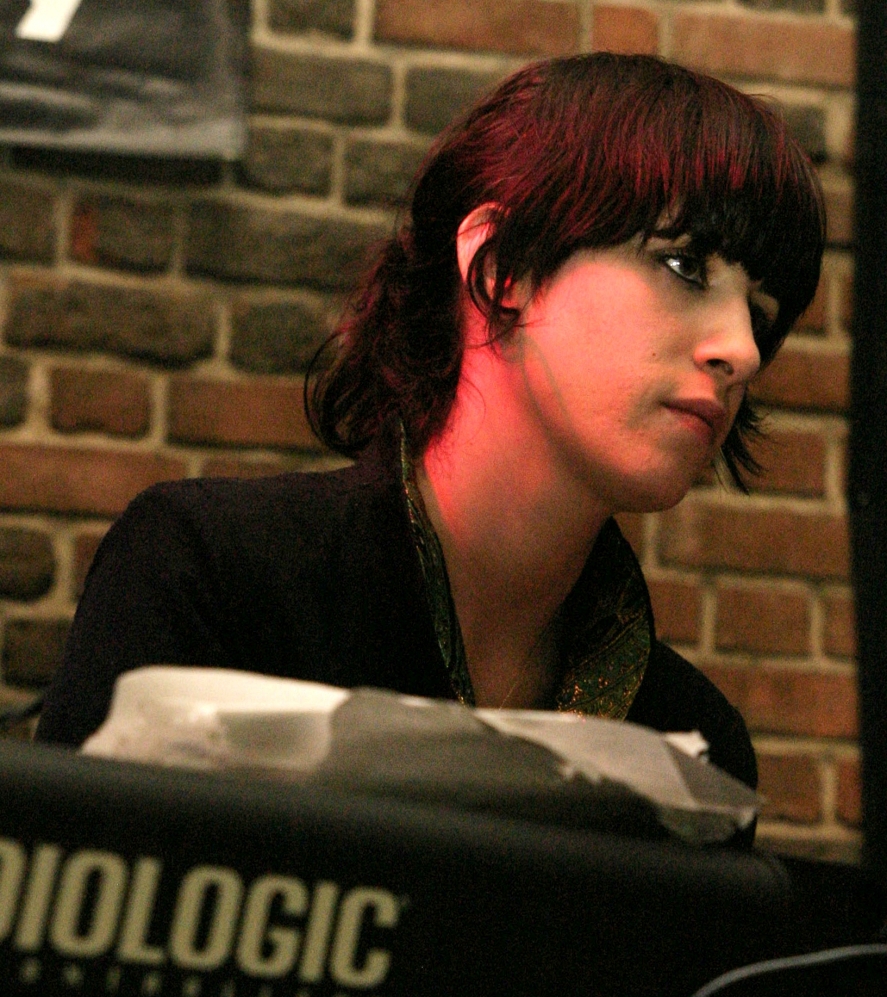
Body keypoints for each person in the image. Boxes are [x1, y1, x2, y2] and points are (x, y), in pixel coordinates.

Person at [36, 53, 824, 823]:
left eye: (759, 315)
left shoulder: (691, 745)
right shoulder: (213, 575)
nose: (741, 351)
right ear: (502, 268)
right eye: (683, 266)